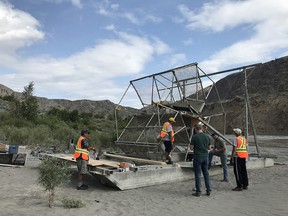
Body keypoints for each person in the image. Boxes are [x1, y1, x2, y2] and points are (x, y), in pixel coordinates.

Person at [190, 123, 212, 197]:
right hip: (206, 157)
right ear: (202, 129)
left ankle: (198, 191)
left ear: (195, 129)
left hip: (197, 157)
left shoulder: (194, 137)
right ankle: (208, 190)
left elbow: (191, 148)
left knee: (198, 174)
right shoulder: (207, 137)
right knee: (206, 174)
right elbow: (209, 148)